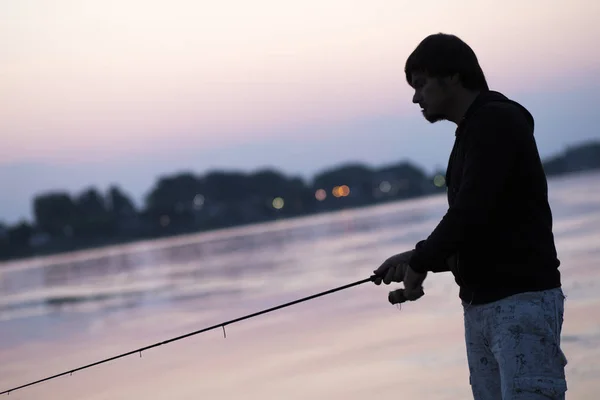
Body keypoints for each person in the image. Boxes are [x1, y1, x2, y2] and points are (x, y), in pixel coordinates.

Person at [372, 33, 568, 399]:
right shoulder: (472, 134)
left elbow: (470, 211)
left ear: (453, 77)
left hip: (520, 305)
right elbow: (481, 230)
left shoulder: (496, 122)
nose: (415, 97)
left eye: (421, 84)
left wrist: (422, 260)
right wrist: (416, 258)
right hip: (483, 308)